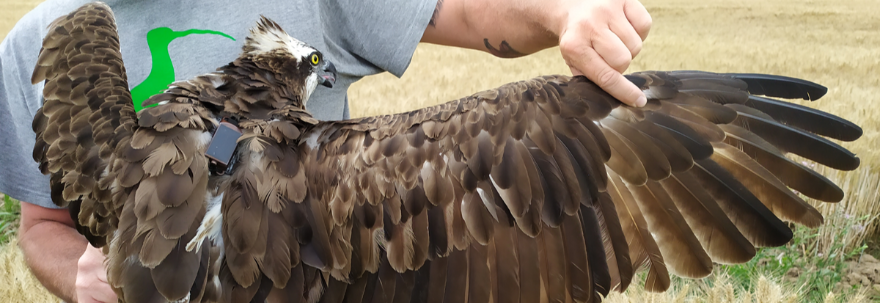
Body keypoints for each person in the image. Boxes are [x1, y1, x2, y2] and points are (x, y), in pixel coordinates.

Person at [0, 0, 652, 302]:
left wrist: (564, 10)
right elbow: (43, 229)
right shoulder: (39, 40)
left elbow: (470, 11)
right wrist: (83, 276)